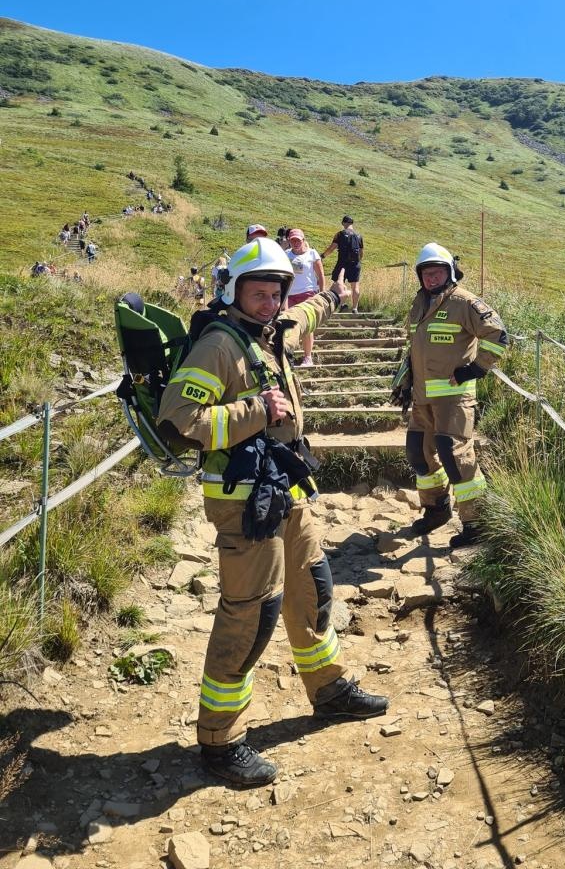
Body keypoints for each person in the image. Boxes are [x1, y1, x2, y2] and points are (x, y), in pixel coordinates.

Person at [156, 235, 388, 787]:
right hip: (244, 503)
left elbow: (307, 312)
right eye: (256, 293)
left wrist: (331, 292)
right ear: (235, 291)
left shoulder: (271, 331)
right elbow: (178, 421)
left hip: (286, 488)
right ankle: (220, 740)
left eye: (274, 293)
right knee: (250, 614)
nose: (267, 302)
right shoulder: (219, 345)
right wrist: (256, 408)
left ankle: (328, 689)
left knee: (313, 587)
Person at [399, 242, 508, 549]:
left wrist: (474, 370)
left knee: (455, 456)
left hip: (454, 400)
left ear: (450, 273)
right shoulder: (419, 303)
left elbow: (498, 335)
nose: (431, 279)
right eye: (426, 274)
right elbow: (415, 350)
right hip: (422, 399)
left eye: (437, 273)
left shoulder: (464, 302)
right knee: (417, 453)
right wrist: (406, 383)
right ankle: (436, 509)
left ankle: (476, 523)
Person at [286, 229, 326, 367]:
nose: (295, 243)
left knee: (307, 326)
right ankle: (288, 354)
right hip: (290, 294)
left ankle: (308, 357)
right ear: (289, 241)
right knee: (289, 325)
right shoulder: (286, 255)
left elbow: (321, 275)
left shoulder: (312, 254)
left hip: (308, 292)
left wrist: (322, 293)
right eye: (293, 240)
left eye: (298, 240)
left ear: (303, 240)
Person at [321, 216, 363, 313]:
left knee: (338, 284)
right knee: (355, 286)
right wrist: (358, 261)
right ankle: (355, 308)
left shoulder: (340, 234)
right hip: (355, 264)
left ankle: (342, 304)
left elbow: (332, 248)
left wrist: (322, 256)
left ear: (344, 223)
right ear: (352, 223)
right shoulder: (359, 235)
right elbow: (361, 252)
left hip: (342, 263)